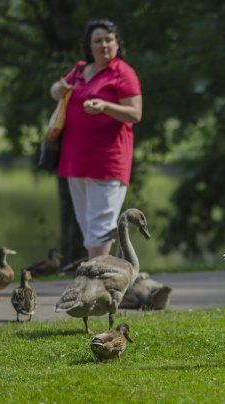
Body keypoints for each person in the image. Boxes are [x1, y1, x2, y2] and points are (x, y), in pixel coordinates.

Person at [49, 19, 142, 259]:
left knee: (100, 228)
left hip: (108, 162)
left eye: (108, 39)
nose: (104, 45)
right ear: (89, 46)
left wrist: (105, 106)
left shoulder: (123, 73)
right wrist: (57, 90)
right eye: (98, 41)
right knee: (88, 228)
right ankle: (96, 282)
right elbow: (57, 89)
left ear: (117, 43)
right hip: (76, 160)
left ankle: (95, 283)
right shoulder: (81, 70)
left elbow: (135, 113)